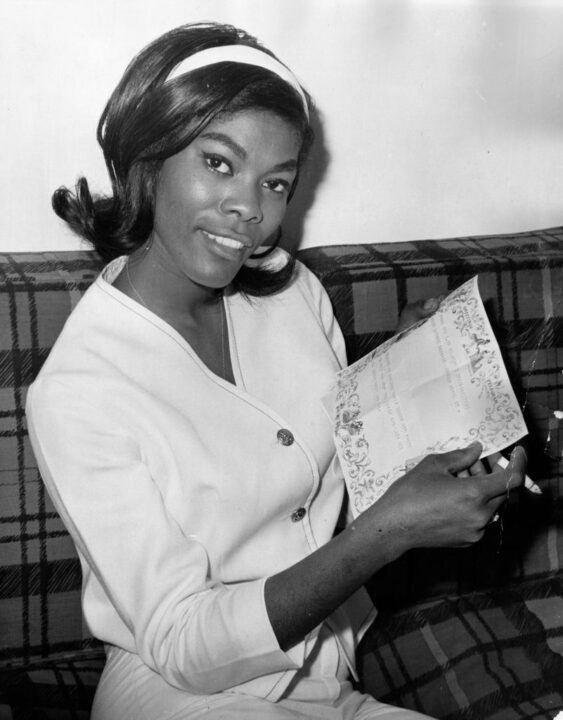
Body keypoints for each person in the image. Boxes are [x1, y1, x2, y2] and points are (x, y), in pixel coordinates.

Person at [26, 22, 527, 720]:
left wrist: (420, 370)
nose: (250, 210)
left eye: (277, 182)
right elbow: (182, 644)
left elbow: (343, 473)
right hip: (183, 697)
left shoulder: (291, 290)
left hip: (330, 673)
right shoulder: (77, 392)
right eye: (219, 164)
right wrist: (385, 534)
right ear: (148, 159)